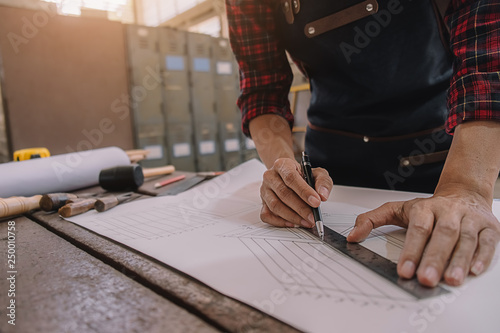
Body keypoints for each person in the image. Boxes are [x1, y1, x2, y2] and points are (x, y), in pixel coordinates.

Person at [226, 0, 500, 287]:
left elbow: (486, 59)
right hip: (332, 163)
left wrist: (466, 187)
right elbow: (262, 91)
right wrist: (284, 168)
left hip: (438, 152)